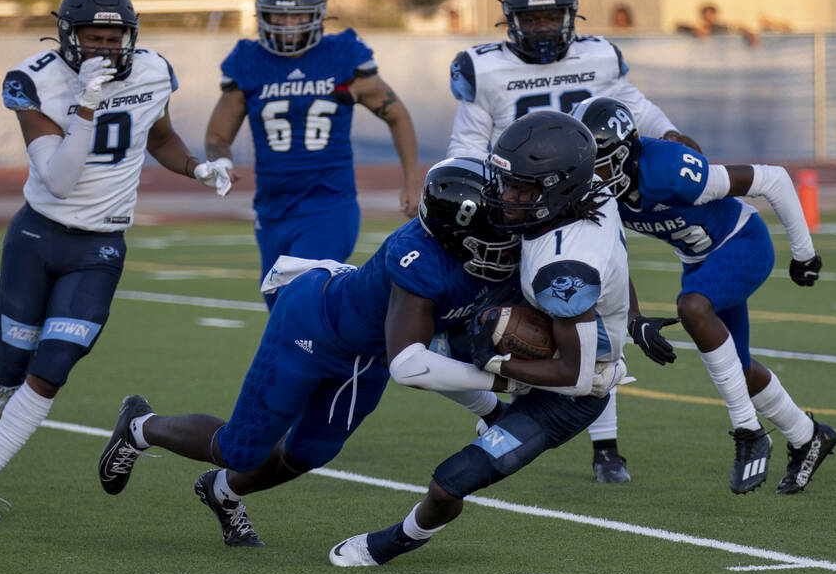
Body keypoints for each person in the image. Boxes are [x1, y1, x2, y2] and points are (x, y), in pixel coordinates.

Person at [96, 158, 529, 547]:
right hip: (312, 328)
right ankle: (140, 425)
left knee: (309, 453)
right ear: (456, 236)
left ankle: (222, 491)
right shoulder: (418, 259)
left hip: (366, 356)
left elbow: (441, 352)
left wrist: (490, 407)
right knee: (240, 450)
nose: (503, 236)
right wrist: (500, 388)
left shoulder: (490, 259)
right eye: (489, 228)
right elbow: (412, 363)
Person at [0, 0, 232, 522]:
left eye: (114, 36)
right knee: (11, 360)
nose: (104, 47)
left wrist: (198, 167)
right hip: (37, 236)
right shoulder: (34, 81)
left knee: (54, 365)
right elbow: (58, 178)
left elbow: (160, 136)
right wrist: (87, 104)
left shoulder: (152, 70)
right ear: (67, 36)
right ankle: (7, 386)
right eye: (93, 36)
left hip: (100, 244)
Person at [329, 110, 631, 567]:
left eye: (523, 189)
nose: (508, 197)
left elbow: (574, 375)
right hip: (541, 335)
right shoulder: (591, 191)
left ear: (559, 189)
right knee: (411, 343)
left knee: (451, 480)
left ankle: (401, 539)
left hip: (571, 387)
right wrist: (637, 317)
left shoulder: (562, 269)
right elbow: (614, 265)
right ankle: (492, 412)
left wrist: (497, 367)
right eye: (508, 183)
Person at [446, 0, 700, 483]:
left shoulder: (599, 55)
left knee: (596, 317)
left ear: (571, 16)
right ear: (510, 21)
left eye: (552, 18)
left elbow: (633, 105)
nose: (542, 29)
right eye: (531, 20)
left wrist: (671, 133)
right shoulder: (484, 67)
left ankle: (605, 446)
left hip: (589, 199)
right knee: (508, 318)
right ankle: (503, 409)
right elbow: (468, 144)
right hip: (519, 205)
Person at [572, 96, 836, 494]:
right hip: (698, 261)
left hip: (742, 241)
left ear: (627, 153)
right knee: (740, 368)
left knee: (692, 307)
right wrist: (634, 319)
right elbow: (611, 256)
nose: (593, 175)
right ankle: (808, 437)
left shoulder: (667, 168)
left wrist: (804, 253)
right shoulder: (598, 192)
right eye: (585, 165)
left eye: (601, 163)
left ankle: (749, 431)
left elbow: (774, 179)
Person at [205, 0, 421, 308]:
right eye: (279, 17)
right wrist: (221, 159)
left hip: (329, 204)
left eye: (298, 16)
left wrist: (411, 182)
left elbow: (398, 116)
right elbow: (218, 133)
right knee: (280, 311)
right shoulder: (249, 62)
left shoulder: (341, 57)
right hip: (272, 210)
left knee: (299, 301)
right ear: (264, 16)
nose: (289, 26)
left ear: (317, 14)